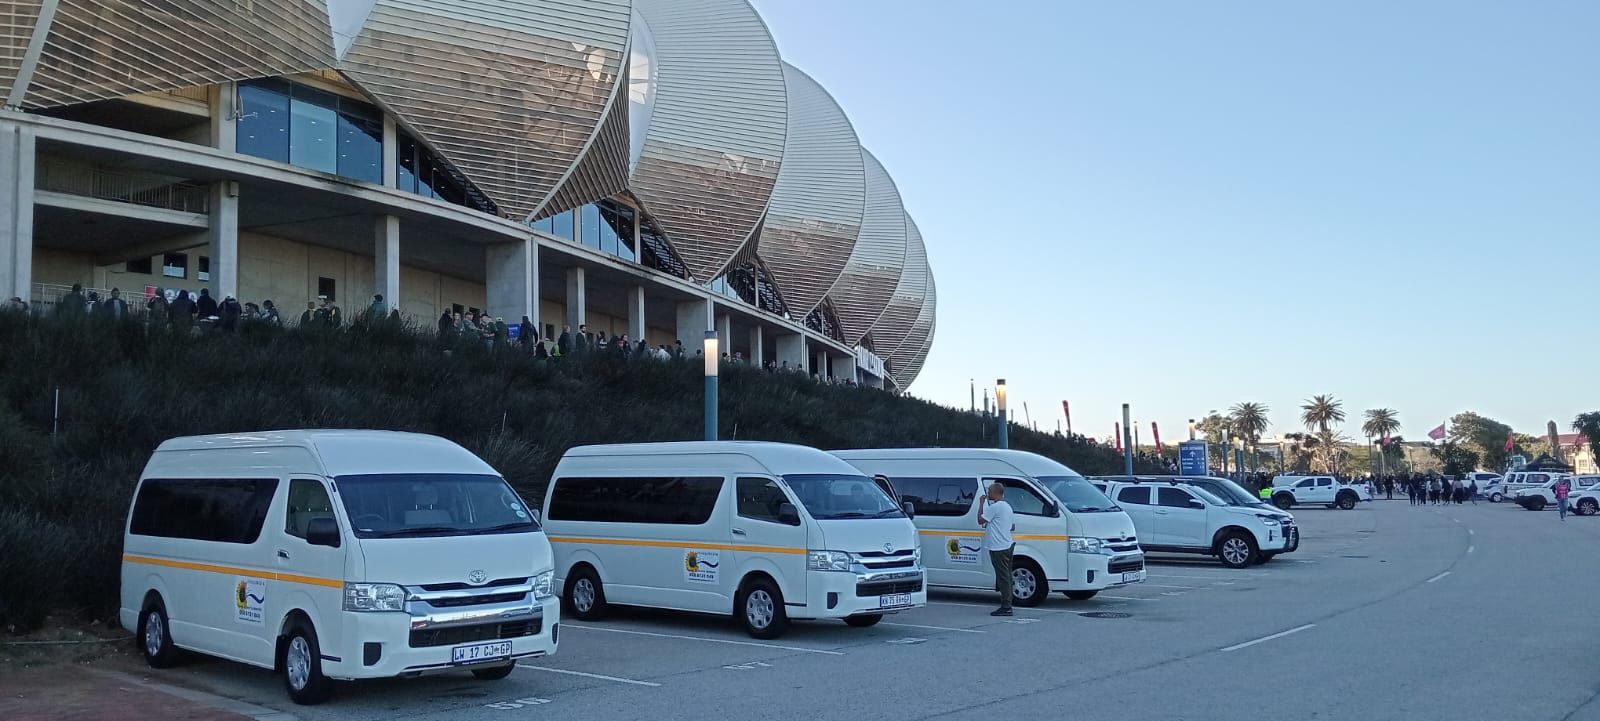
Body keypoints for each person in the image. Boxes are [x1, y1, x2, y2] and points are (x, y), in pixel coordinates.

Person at [976, 481, 1015, 616]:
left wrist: (981, 503)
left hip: (998, 547)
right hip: (1008, 544)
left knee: (1003, 576)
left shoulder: (995, 507)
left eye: (989, 491)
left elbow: (980, 520)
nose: (987, 494)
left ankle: (1006, 606)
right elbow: (1011, 526)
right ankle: (1008, 601)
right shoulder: (1007, 507)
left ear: (995, 493)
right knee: (1007, 575)